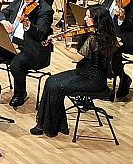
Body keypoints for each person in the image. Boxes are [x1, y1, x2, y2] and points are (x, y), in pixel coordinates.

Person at [32, 8, 120, 137]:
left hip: (90, 79)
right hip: (91, 75)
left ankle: (49, 126)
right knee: (51, 81)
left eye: (88, 16)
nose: (85, 19)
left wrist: (58, 45)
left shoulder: (93, 38)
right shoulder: (106, 35)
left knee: (55, 86)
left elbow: (76, 58)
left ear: (97, 20)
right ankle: (50, 125)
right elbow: (87, 52)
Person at [0, 0, 55, 107]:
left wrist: (28, 25)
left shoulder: (45, 10)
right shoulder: (19, 0)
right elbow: (1, 13)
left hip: (31, 48)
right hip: (11, 42)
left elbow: (41, 34)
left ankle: (20, 94)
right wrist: (4, 21)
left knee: (16, 64)